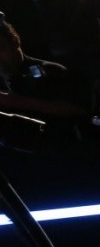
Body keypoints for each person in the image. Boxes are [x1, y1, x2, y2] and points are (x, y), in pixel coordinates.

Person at [0, 10, 85, 149]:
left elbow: (79, 110)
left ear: (15, 41)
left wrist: (13, 101)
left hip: (53, 155)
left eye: (0, 49)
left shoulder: (52, 71)